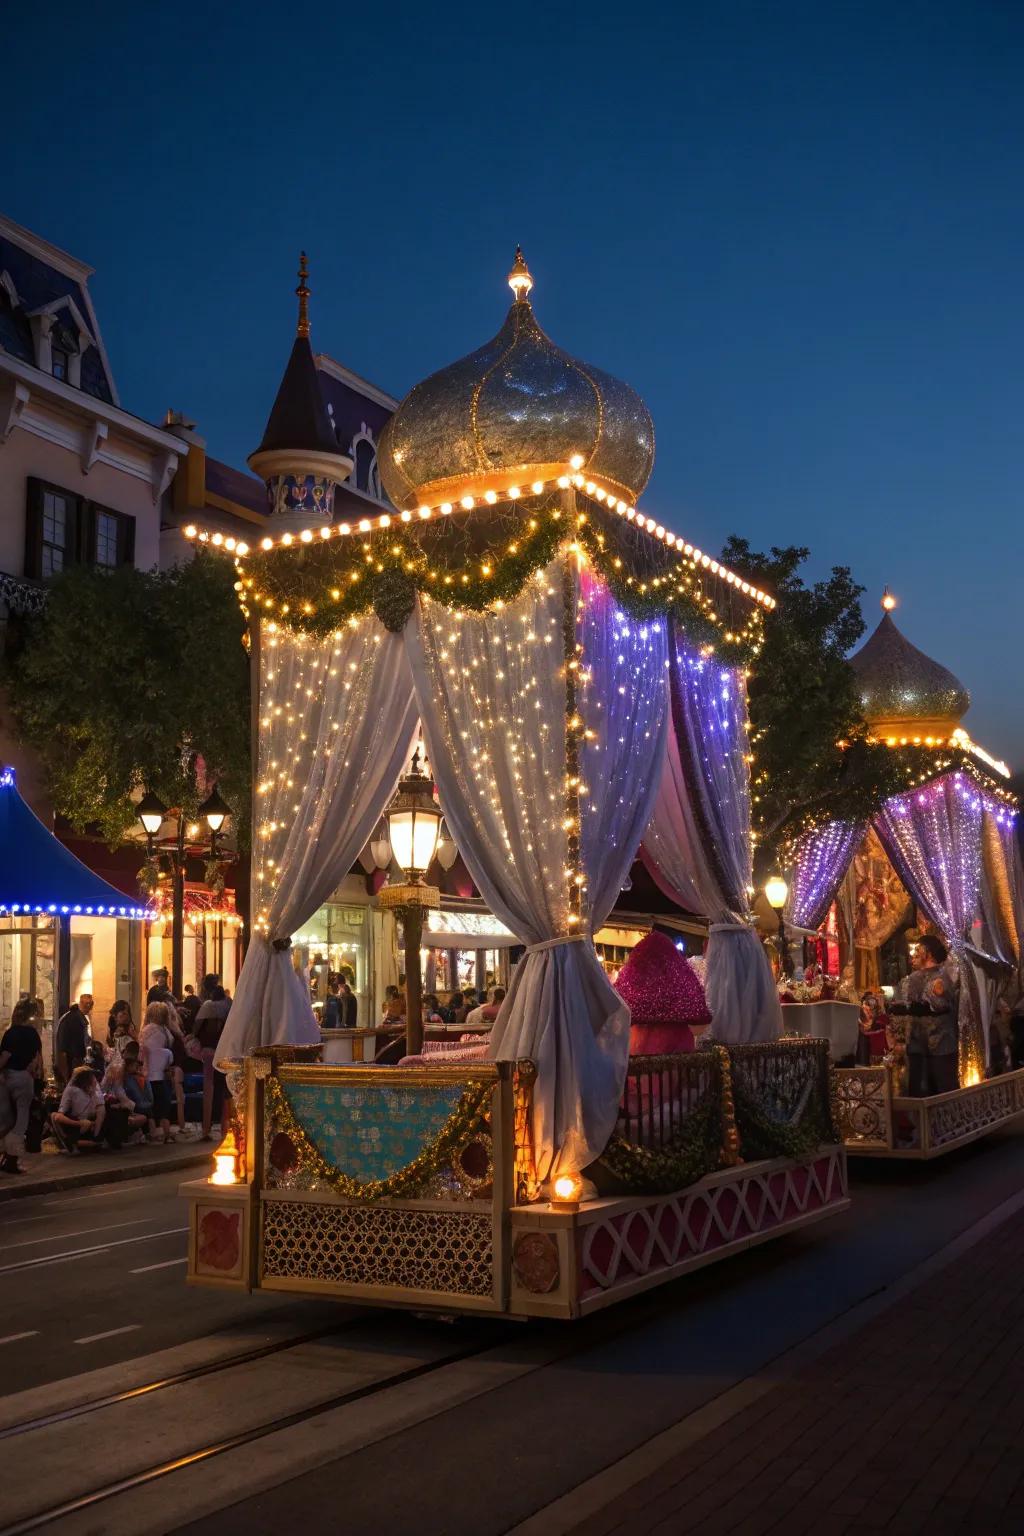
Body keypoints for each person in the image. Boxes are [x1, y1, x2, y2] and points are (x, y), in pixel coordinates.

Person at [891, 935, 959, 1096]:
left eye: (918, 950)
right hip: (922, 1046)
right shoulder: (922, 977)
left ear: (927, 953)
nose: (914, 954)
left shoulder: (942, 977)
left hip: (938, 1045)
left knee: (939, 1093)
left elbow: (941, 1004)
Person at [0, 998, 44, 1173]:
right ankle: (12, 1158)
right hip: (23, 1079)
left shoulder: (10, 1033)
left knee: (7, 1118)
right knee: (21, 1120)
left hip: (6, 1077)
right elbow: (36, 1062)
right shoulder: (32, 1034)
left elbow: (4, 1057)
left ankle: (6, 1154)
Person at [194, 985, 232, 1139]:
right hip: (225, 1052)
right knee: (225, 1091)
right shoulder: (228, 1007)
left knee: (208, 1090)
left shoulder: (206, 1007)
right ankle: (225, 1129)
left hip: (208, 1052)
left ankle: (206, 1128)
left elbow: (196, 1030)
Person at [139, 1002, 176, 1142]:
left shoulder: (145, 1030)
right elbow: (170, 1048)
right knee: (164, 1105)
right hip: (162, 1073)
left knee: (151, 1105)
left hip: (148, 1073)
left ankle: (152, 1133)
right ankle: (166, 1133)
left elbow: (141, 1051)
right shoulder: (165, 1032)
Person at [51, 1066, 106, 1152]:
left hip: (91, 1126)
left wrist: (93, 1124)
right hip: (78, 1125)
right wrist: (79, 1123)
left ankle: (92, 1142)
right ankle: (73, 1143)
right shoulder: (72, 1090)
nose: (95, 1080)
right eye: (92, 1077)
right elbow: (58, 1116)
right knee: (54, 1115)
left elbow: (100, 1110)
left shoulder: (94, 1091)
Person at [55, 993, 94, 1086]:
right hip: (73, 1060)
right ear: (81, 1003)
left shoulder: (78, 1017)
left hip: (76, 1059)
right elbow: (64, 1044)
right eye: (87, 1004)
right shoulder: (73, 1018)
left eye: (91, 1004)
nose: (89, 1007)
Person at [855, 990, 889, 1066]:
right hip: (867, 1036)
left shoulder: (879, 1014)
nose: (871, 1005)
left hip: (873, 1040)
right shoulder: (864, 1010)